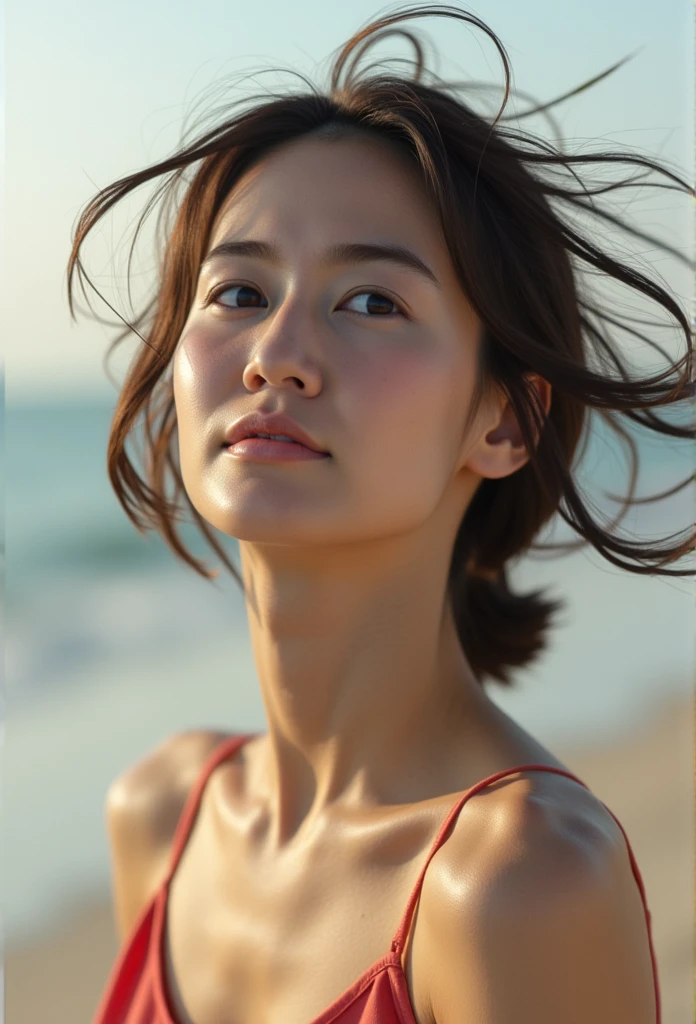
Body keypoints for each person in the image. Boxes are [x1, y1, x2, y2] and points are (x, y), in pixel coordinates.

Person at [68, 5, 693, 1022]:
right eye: (236, 291)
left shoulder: (521, 884)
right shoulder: (162, 813)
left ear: (504, 422)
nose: (276, 353)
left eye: (372, 302)